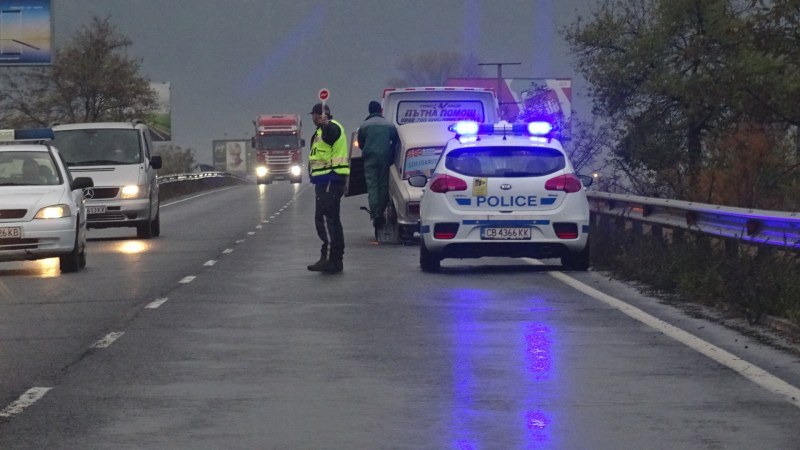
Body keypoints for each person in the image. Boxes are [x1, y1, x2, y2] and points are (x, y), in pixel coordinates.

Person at [306, 102, 350, 273]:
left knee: (325, 219)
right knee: (330, 219)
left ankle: (331, 259)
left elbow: (331, 134)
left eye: (313, 115)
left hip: (330, 178)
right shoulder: (319, 132)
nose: (312, 118)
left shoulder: (331, 128)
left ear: (319, 115)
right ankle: (332, 258)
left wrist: (326, 124)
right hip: (325, 179)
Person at [357, 101, 400, 234]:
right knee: (383, 185)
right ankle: (381, 211)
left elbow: (360, 144)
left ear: (369, 111)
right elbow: (396, 140)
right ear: (381, 111)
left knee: (372, 186)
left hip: (370, 159)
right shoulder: (389, 125)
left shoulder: (364, 126)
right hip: (385, 159)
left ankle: (376, 214)